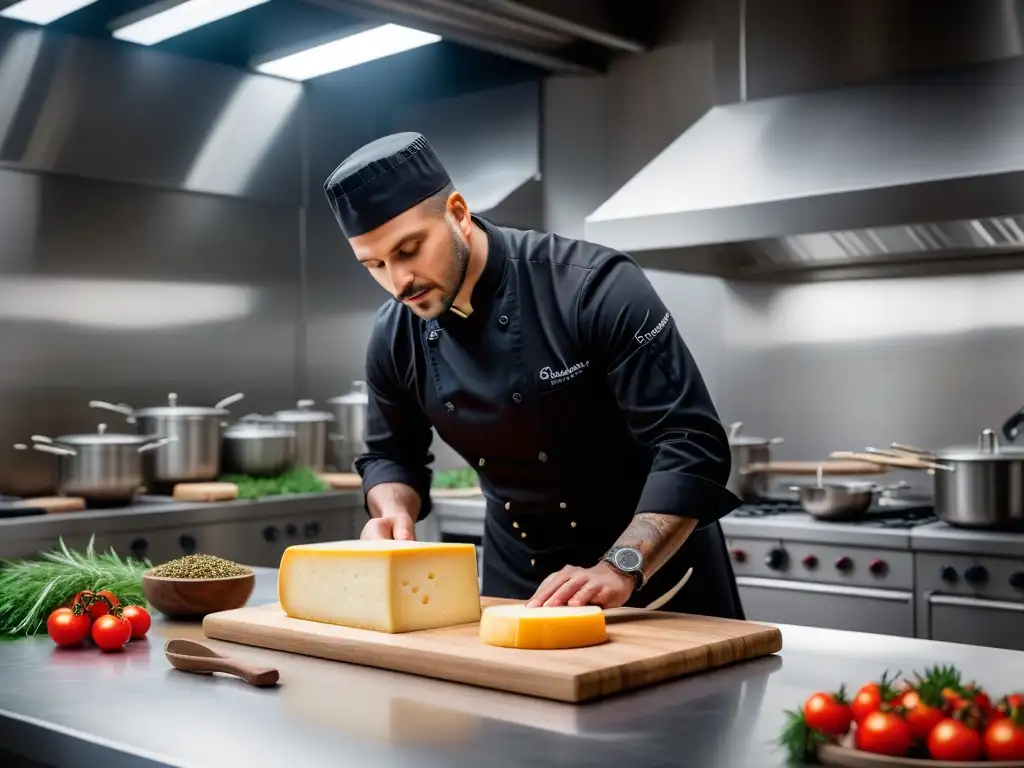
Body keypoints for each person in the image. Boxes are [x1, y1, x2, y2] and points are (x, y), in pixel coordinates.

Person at [323, 131, 745, 618]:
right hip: (518, 588)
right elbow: (390, 456)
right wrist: (393, 512)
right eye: (374, 264)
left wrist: (619, 566)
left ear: (458, 213)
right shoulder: (394, 334)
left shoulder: (594, 287)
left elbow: (691, 442)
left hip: (655, 577)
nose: (399, 283)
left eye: (409, 249)